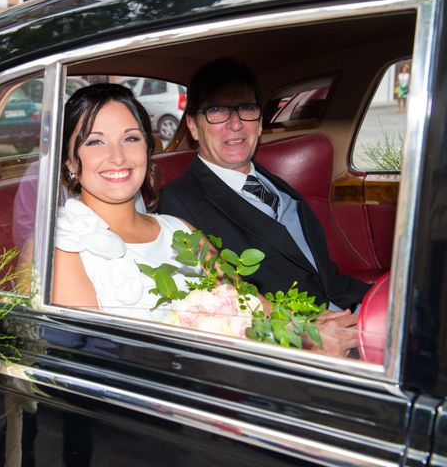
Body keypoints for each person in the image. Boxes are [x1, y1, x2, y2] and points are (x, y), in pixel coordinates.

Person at [158, 59, 370, 355]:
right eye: (217, 111)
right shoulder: (180, 202)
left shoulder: (274, 184)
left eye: (246, 109)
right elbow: (222, 305)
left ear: (259, 123)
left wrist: (372, 304)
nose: (235, 124)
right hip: (297, 345)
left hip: (350, 314)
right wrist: (307, 337)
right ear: (193, 126)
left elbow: (324, 276)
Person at [52, 83, 201, 321]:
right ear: (69, 162)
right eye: (95, 142)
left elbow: (255, 308)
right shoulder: (63, 244)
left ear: (147, 148)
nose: (118, 157)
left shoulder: (181, 230)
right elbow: (84, 349)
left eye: (130, 138)